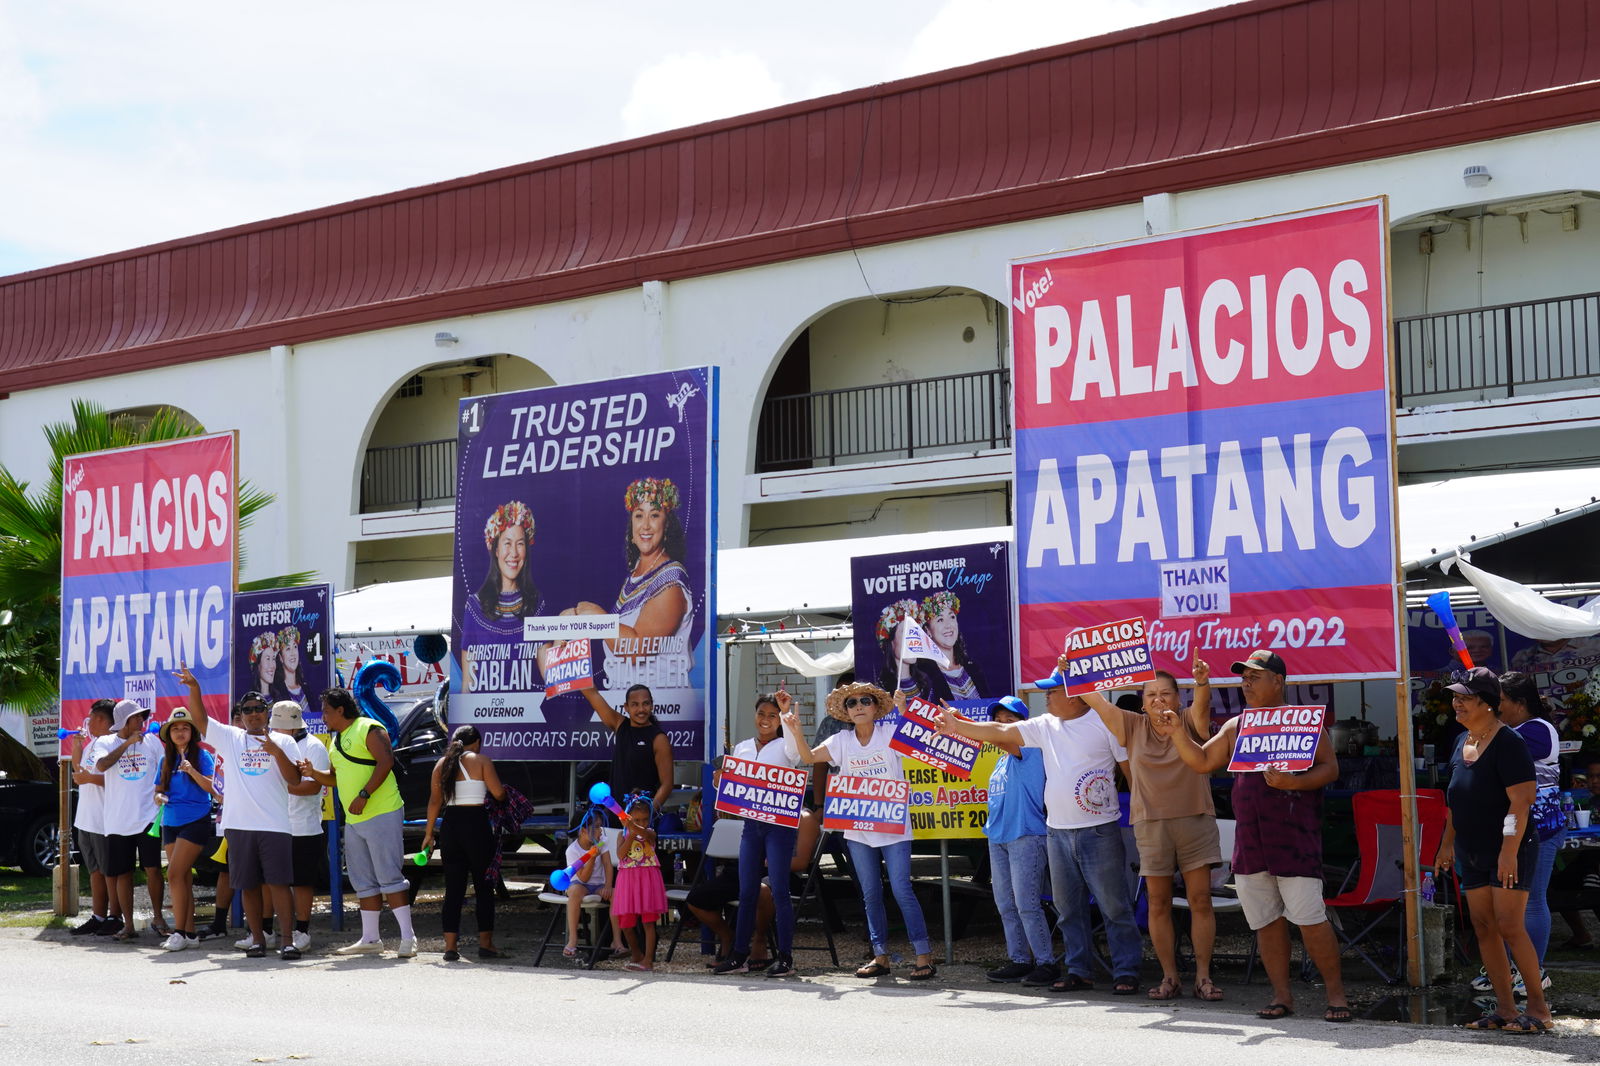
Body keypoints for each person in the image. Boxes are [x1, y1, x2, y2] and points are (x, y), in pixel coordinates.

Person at [1165, 650, 1351, 1023]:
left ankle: (1337, 997)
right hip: (1251, 843)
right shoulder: (1237, 726)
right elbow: (1202, 761)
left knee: (1311, 920)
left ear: (1278, 681)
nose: (1246, 683)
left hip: (1294, 839)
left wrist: (1294, 782)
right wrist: (1175, 732)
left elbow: (1331, 769)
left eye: (1255, 677)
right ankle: (1282, 997)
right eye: (1243, 678)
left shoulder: (1304, 722)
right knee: (1265, 922)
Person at [937, 665, 1138, 995]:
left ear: (1076, 695)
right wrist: (959, 725)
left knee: (1113, 906)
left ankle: (1127, 970)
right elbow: (1001, 733)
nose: (1046, 696)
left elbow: (1130, 772)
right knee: (1068, 908)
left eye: (1053, 690)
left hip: (1098, 830)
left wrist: (1140, 813)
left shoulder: (1105, 721)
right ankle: (1078, 970)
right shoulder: (1046, 725)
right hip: (1056, 831)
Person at [1079, 658, 1224, 1001]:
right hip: (1151, 824)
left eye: (1166, 694)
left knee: (1200, 900)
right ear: (1142, 701)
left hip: (1195, 819)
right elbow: (1095, 699)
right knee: (1157, 903)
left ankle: (1203, 977)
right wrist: (1076, 671)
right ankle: (1170, 977)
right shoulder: (1130, 725)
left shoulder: (1189, 720)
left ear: (1177, 698)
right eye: (1151, 694)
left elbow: (1201, 705)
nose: (1158, 700)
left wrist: (1202, 683)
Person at [783, 681, 938, 982]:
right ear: (846, 712)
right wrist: (795, 729)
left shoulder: (891, 733)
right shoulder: (841, 740)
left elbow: (921, 744)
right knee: (870, 893)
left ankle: (924, 956)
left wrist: (905, 712)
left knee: (901, 889)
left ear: (876, 707)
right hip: (858, 828)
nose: (858, 707)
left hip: (893, 826)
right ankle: (880, 956)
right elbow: (809, 758)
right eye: (852, 703)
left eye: (865, 701)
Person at [1433, 667, 1552, 1034]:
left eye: (1465, 698)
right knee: (1484, 928)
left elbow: (1521, 802)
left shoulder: (1509, 742)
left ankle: (1538, 1008)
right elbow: (1456, 801)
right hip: (1470, 849)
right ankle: (1505, 1009)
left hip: (1509, 849)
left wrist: (1508, 852)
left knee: (1510, 926)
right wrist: (1446, 845)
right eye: (1455, 697)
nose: (1457, 704)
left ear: (1488, 705)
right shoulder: (1461, 741)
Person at [180, 672, 303, 960]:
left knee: (279, 885)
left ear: (267, 712)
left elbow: (295, 780)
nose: (253, 715)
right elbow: (200, 720)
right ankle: (257, 939)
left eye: (259, 709)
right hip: (238, 825)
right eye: (247, 711)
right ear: (242, 716)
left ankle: (287, 941)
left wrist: (275, 751)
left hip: (275, 825)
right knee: (247, 885)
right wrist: (195, 688)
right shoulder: (232, 738)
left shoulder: (283, 742)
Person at [301, 687, 417, 957]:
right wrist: (312, 772)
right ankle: (370, 938)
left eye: (328, 712)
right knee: (363, 880)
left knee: (390, 876)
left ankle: (408, 937)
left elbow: (386, 761)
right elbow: (334, 778)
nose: (325, 717)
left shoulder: (369, 728)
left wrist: (364, 794)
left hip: (382, 811)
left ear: (341, 710)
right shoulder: (337, 739)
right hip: (355, 819)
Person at [1473, 669, 1561, 998]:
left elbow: (1498, 748)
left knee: (1533, 901)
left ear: (1521, 704)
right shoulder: (1509, 730)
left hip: (1541, 829)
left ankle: (1534, 970)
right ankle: (1510, 969)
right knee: (1507, 907)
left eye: (1501, 702)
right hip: (1512, 831)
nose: (1496, 708)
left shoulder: (1538, 730)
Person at [573, 477, 693, 692]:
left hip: (664, 705)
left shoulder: (671, 581)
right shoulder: (637, 573)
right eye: (639, 515)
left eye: (654, 515)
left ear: (667, 526)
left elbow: (635, 650)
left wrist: (598, 618)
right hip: (628, 702)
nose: (645, 525)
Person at [712, 691, 803, 977]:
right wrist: (719, 782)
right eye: (761, 714)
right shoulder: (741, 748)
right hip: (751, 826)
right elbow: (732, 788)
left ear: (779, 720)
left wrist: (788, 715)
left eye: (772, 716)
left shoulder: (786, 745)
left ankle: (785, 957)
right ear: (754, 715)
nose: (766, 720)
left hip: (780, 827)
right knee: (747, 890)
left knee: (780, 890)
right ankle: (739, 955)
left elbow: (798, 757)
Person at [977, 694, 1056, 987]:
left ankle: (1046, 963)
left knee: (1026, 904)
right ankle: (1020, 960)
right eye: (997, 722)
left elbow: (999, 739)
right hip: (998, 838)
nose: (1001, 727)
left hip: (1026, 836)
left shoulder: (1031, 749)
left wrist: (959, 725)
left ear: (1025, 726)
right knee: (1005, 905)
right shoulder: (1001, 761)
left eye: (1010, 722)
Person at [420, 724, 508, 961]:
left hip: (450, 826)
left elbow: (434, 802)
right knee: (484, 886)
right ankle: (486, 944)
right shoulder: (481, 761)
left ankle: (450, 947)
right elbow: (498, 793)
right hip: (476, 824)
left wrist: (429, 834)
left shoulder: (441, 765)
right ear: (477, 742)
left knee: (454, 889)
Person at [94, 699, 169, 943]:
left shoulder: (152, 741)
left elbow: (164, 767)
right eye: (136, 717)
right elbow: (102, 765)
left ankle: (158, 918)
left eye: (142, 717)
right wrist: (127, 743)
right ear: (124, 721)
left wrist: (162, 792)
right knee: (122, 874)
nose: (142, 721)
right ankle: (128, 924)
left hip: (148, 816)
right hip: (117, 820)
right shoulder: (105, 741)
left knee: (153, 869)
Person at [154, 707, 217, 952]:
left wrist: (191, 770)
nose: (180, 732)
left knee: (174, 874)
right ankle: (190, 933)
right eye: (176, 729)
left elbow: (213, 788)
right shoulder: (165, 759)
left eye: (185, 728)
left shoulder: (202, 756)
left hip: (196, 820)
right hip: (170, 821)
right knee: (182, 878)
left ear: (193, 732)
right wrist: (159, 797)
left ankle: (178, 932)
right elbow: (157, 790)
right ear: (169, 734)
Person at [271, 700, 329, 953]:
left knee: (302, 882)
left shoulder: (313, 746)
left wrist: (278, 787)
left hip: (304, 826)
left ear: (295, 727)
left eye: (282, 727)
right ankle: (267, 930)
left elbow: (312, 786)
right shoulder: (272, 745)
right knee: (274, 881)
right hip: (273, 824)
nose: (277, 732)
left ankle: (302, 930)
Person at [68, 699, 121, 938]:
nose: (87, 723)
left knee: (110, 871)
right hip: (85, 819)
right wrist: (78, 745)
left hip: (103, 819)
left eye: (91, 718)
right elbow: (80, 770)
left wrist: (89, 779)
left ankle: (114, 916)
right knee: (95, 870)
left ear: (100, 719)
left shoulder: (111, 744)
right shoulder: (93, 744)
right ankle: (98, 916)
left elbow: (117, 782)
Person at [580, 683, 674, 813]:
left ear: (652, 705)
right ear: (626, 707)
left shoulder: (659, 739)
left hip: (641, 820)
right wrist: (575, 670)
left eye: (645, 704)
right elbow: (592, 694)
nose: (641, 709)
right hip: (615, 813)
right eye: (635, 704)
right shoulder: (620, 725)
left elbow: (667, 785)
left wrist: (648, 814)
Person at [613, 795, 669, 971]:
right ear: (630, 817)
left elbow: (646, 835)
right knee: (626, 924)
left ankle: (648, 960)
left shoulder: (650, 833)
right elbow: (621, 855)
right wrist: (630, 832)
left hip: (647, 880)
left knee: (648, 922)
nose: (642, 823)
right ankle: (636, 954)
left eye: (645, 819)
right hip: (627, 881)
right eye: (637, 819)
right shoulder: (622, 836)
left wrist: (633, 826)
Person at [560, 807, 616, 959]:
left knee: (616, 895)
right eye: (596, 827)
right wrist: (591, 856)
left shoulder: (602, 843)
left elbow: (607, 865)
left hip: (598, 885)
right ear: (583, 831)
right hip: (580, 883)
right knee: (575, 892)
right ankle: (573, 939)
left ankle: (616, 941)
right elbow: (583, 878)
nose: (600, 831)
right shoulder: (572, 850)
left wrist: (608, 886)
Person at [474, 500, 542, 624]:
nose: (514, 553)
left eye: (520, 544)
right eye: (507, 543)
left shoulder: (537, 603)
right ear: (496, 550)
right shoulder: (475, 606)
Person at [915, 591, 986, 700]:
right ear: (928, 630)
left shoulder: (973, 668)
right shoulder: (923, 675)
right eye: (940, 620)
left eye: (952, 617)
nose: (948, 625)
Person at [275, 627, 311, 712]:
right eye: (288, 649)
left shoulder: (306, 688)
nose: (293, 653)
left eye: (295, 647)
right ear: (280, 657)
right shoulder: (277, 691)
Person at [249, 632, 280, 702]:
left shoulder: (280, 700)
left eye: (273, 659)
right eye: (268, 659)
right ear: (258, 664)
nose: (272, 665)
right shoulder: (250, 701)